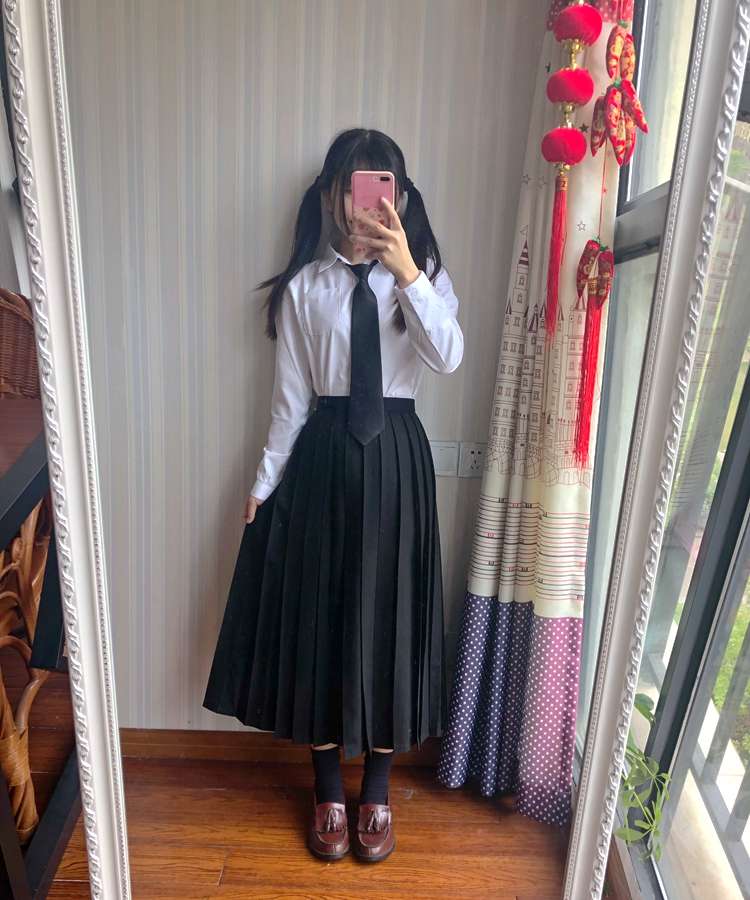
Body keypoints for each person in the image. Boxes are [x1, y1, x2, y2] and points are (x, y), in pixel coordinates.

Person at [203, 127, 464, 863]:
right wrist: (263, 484)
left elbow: (448, 357)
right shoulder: (305, 290)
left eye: (379, 187)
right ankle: (326, 789)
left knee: (391, 620)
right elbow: (289, 402)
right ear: (328, 197)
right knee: (318, 620)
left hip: (398, 466)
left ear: (400, 198)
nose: (363, 204)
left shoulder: (426, 277)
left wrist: (407, 273)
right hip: (320, 462)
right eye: (351, 187)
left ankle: (377, 790)